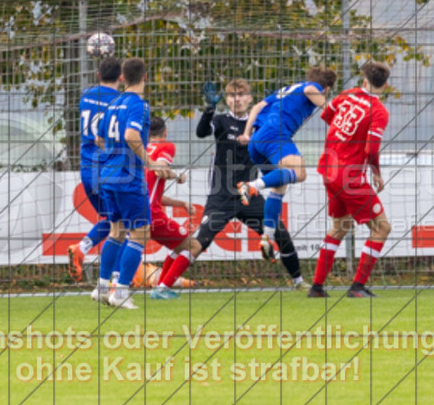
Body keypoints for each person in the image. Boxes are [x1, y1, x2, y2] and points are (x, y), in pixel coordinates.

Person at [162, 80, 306, 291]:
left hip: (250, 195)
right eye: (231, 95)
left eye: (241, 95)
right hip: (222, 195)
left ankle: (298, 282)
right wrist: (209, 108)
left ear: (249, 98)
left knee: (280, 233)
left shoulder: (261, 124)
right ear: (227, 99)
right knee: (201, 241)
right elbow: (201, 132)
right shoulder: (221, 121)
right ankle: (163, 286)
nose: (236, 99)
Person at [93, 58, 176, 309]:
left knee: (116, 231)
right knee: (141, 233)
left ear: (122, 77)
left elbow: (98, 139)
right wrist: (149, 162)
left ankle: (102, 287)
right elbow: (130, 135)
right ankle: (120, 293)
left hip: (107, 175)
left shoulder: (112, 104)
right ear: (145, 77)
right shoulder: (138, 104)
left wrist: (113, 156)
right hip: (128, 179)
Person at [309, 62, 392, 299]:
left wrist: (344, 137)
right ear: (384, 85)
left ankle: (316, 287)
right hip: (349, 175)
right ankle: (357, 287)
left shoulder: (348, 94)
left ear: (364, 80)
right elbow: (372, 147)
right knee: (382, 227)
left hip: (329, 169)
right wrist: (376, 172)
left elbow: (327, 115)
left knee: (341, 226)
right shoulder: (379, 111)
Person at [238, 66, 338, 262]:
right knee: (299, 172)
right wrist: (332, 110)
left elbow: (257, 107)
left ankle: (267, 237)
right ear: (327, 88)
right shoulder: (312, 87)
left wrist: (247, 134)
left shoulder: (286, 89)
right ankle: (251, 186)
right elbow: (311, 91)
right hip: (275, 136)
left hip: (257, 140)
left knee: (278, 187)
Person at [67, 57, 122, 283]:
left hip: (87, 170)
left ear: (98, 75)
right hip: (109, 170)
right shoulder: (121, 101)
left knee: (111, 221)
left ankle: (83, 247)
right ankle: (116, 282)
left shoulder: (86, 96)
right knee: (122, 225)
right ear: (122, 77)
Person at [143, 116, 203, 300]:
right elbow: (160, 169)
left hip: (137, 210)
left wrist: (182, 204)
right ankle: (161, 289)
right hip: (152, 214)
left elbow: (155, 194)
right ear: (165, 132)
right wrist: (177, 176)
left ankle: (161, 286)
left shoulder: (141, 150)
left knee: (179, 246)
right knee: (194, 246)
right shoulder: (166, 146)